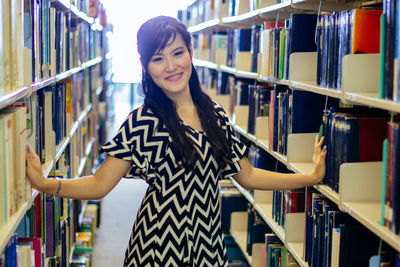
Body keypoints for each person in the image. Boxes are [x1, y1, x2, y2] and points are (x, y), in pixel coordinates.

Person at [26, 15, 326, 267]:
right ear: (146, 66)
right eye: (158, 58)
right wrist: (46, 184)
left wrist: (307, 178)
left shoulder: (215, 115)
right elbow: (100, 184)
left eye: (177, 53)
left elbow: (246, 175)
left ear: (190, 53)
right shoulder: (143, 121)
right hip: (157, 250)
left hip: (208, 248)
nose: (171, 66)